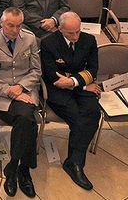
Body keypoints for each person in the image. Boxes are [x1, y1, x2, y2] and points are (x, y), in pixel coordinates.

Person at [0, 7, 40, 198]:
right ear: (1, 23)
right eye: (10, 26)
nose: (15, 30)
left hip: (26, 91)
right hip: (0, 96)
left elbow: (36, 71)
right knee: (28, 121)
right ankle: (23, 170)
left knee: (25, 119)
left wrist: (20, 87)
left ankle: (13, 167)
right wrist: (10, 91)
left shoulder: (29, 38)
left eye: (18, 26)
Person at [40, 11, 99, 190]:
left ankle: (73, 161)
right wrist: (81, 82)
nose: (75, 37)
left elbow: (93, 69)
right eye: (70, 33)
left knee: (93, 113)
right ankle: (76, 165)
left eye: (78, 32)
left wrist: (73, 81)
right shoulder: (48, 43)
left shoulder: (89, 40)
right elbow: (52, 76)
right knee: (79, 119)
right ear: (59, 29)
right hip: (57, 91)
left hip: (80, 87)